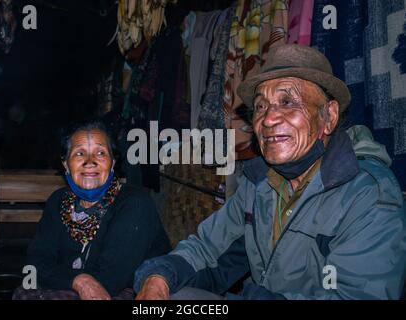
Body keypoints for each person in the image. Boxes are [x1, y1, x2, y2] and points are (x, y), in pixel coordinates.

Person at [133, 44, 406, 300]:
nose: (268, 119)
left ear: (329, 116)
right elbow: (209, 248)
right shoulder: (260, 182)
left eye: (288, 102)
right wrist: (160, 276)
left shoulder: (369, 194)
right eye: (261, 106)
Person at [13, 119, 171, 300]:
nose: (90, 162)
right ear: (65, 163)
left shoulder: (134, 204)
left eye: (100, 153)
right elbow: (34, 265)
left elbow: (111, 281)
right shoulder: (58, 201)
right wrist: (80, 280)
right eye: (80, 153)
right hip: (75, 287)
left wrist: (62, 276)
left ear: (112, 162)